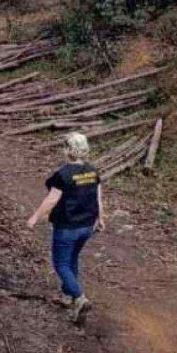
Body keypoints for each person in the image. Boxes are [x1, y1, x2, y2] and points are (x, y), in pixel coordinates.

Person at [27, 132, 105, 323]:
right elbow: (98, 197)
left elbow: (52, 200)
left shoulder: (63, 175)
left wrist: (35, 217)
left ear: (68, 151)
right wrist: (101, 218)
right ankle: (67, 295)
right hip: (87, 225)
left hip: (67, 227)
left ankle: (79, 297)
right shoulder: (92, 171)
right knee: (72, 259)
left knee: (61, 264)